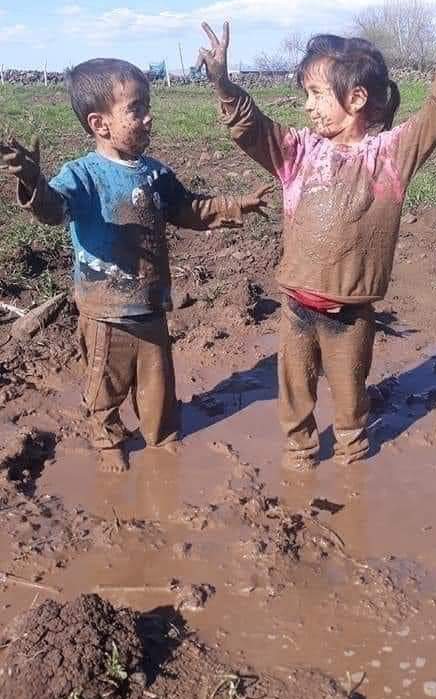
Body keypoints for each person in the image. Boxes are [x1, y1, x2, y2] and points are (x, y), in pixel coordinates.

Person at [197, 0, 436, 471]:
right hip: (296, 308)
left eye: (316, 94)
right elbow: (249, 127)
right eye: (305, 95)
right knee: (294, 394)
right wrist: (222, 84)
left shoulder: (391, 156)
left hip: (352, 315)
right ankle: (299, 454)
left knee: (349, 397)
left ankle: (352, 457)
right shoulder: (297, 152)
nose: (306, 106)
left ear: (357, 98)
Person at [0, 58, 271, 471]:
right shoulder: (83, 175)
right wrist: (33, 184)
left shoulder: (155, 173)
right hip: (105, 312)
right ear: (100, 123)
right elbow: (54, 211)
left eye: (148, 106)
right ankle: (108, 442)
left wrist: (236, 206)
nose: (149, 117)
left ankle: (162, 438)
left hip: (151, 306)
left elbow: (189, 208)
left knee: (157, 387)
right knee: (104, 387)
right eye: (137, 108)